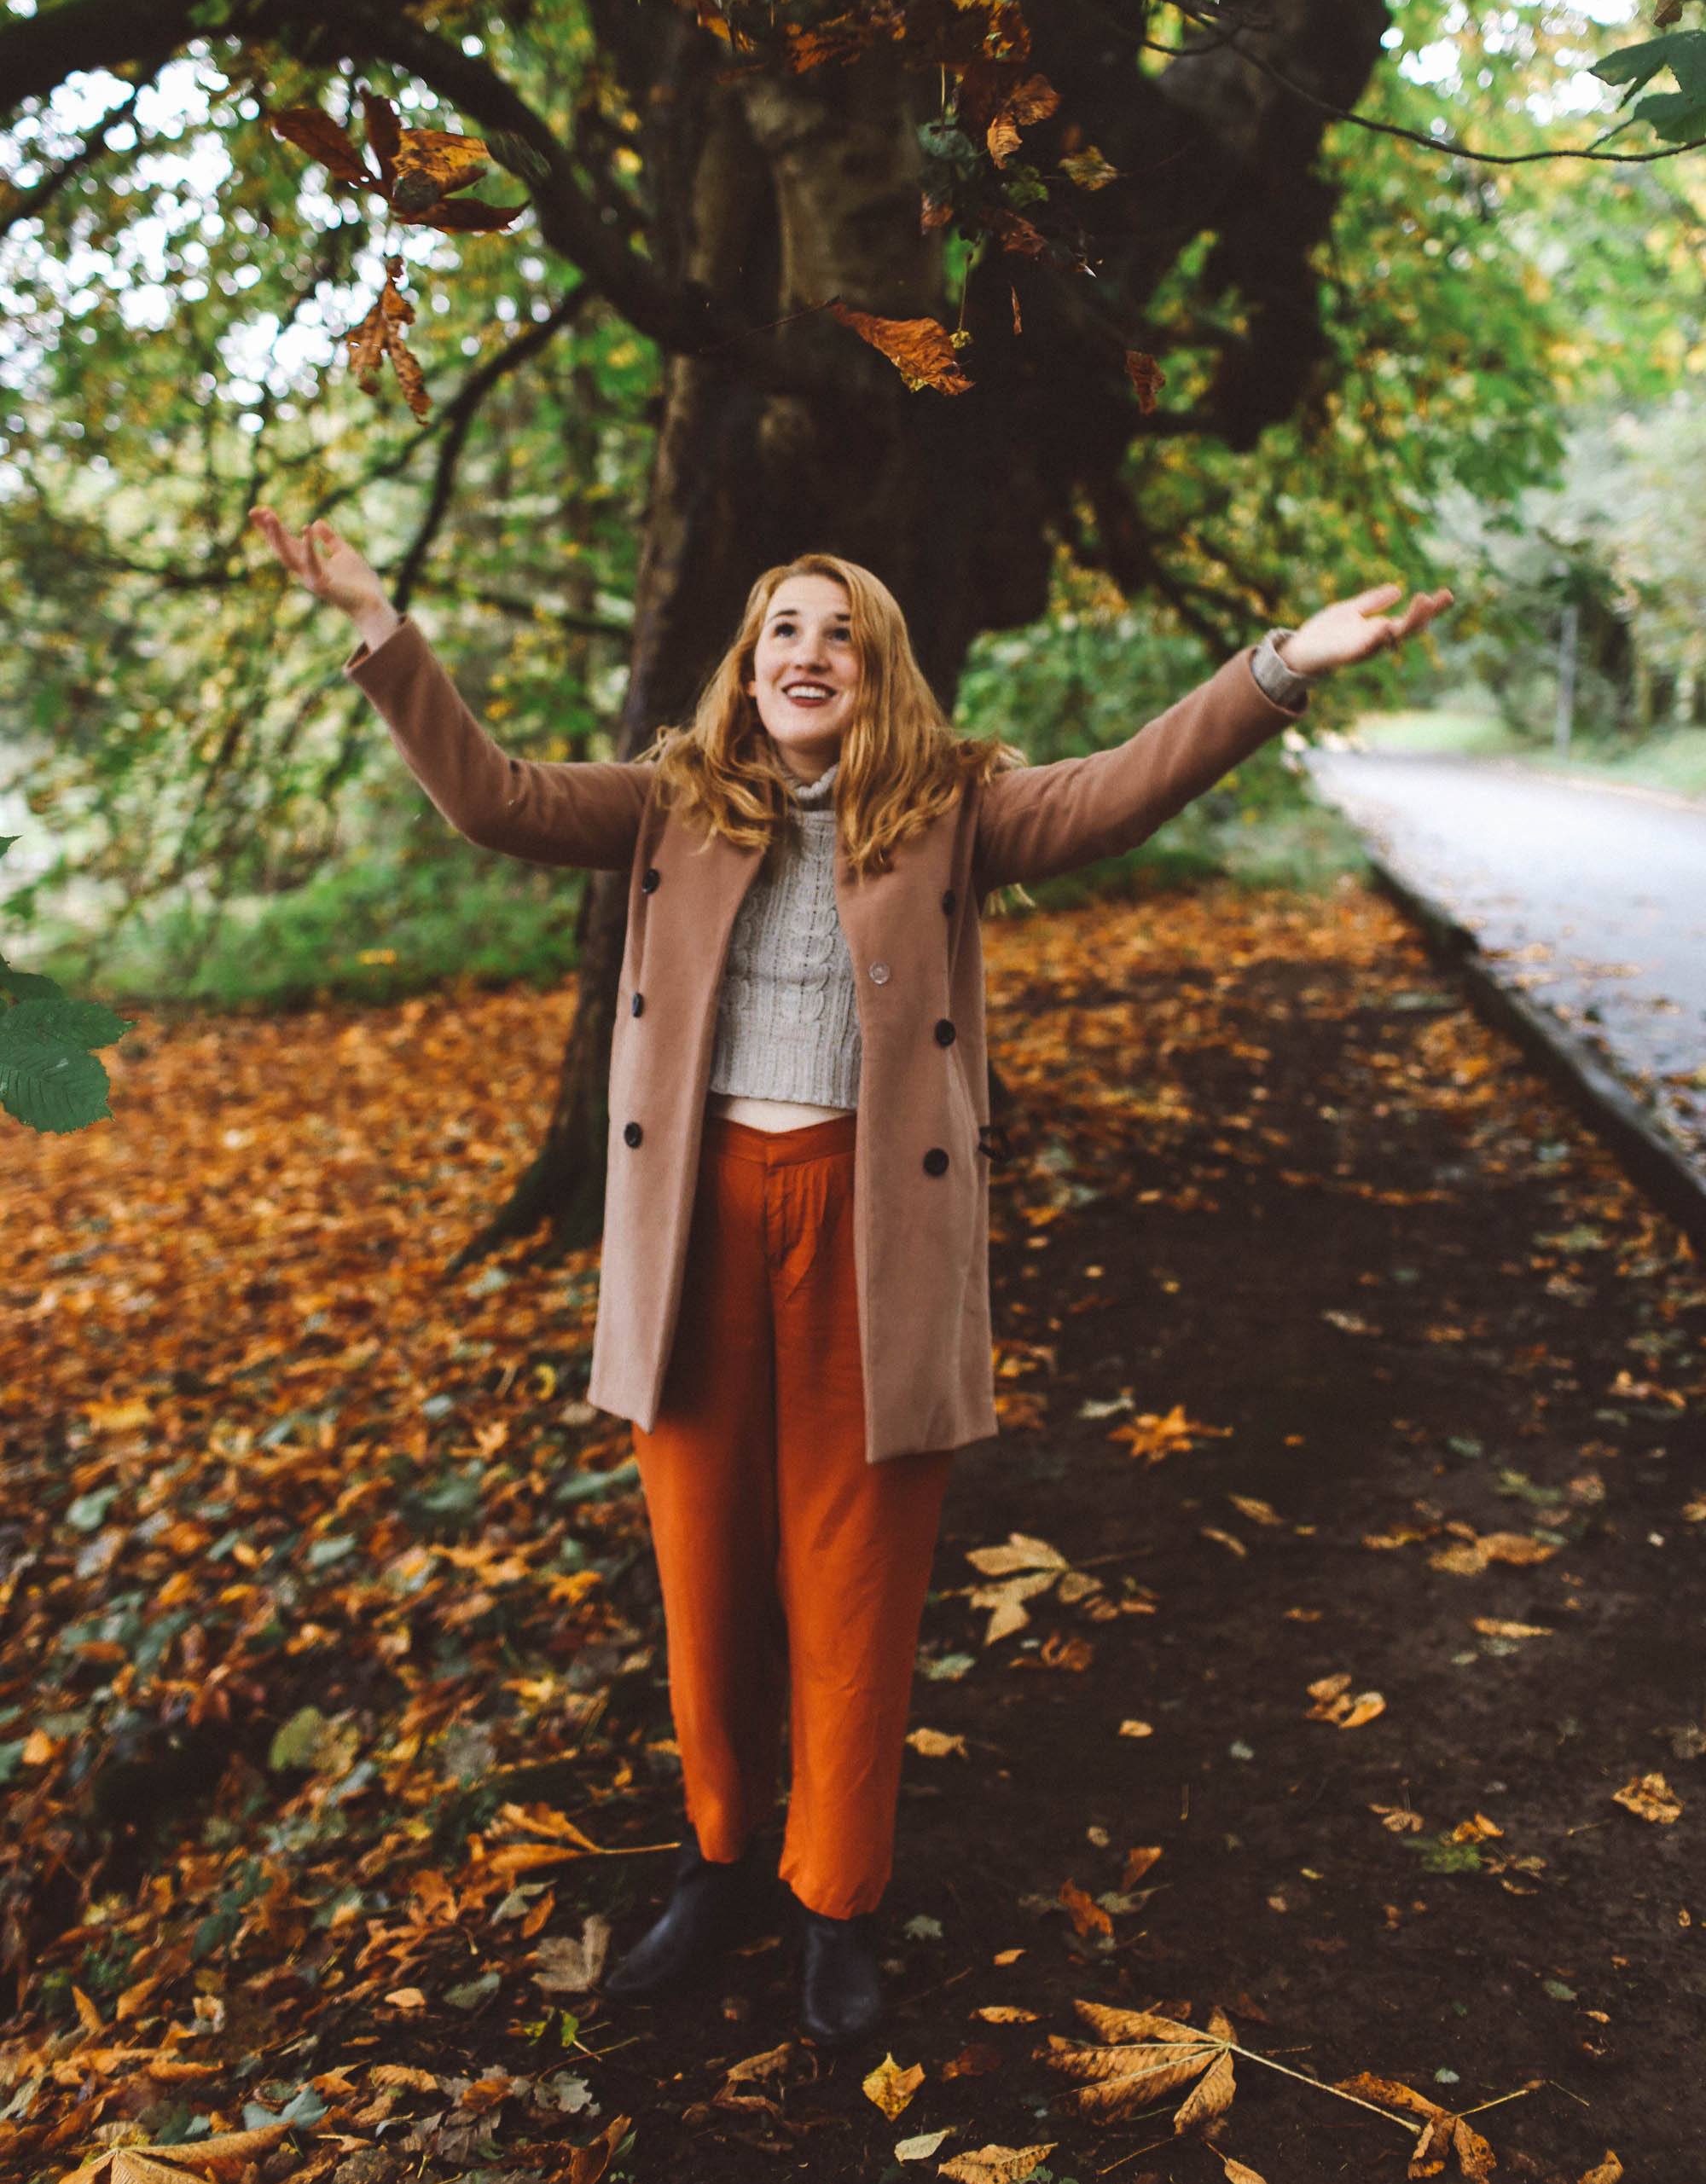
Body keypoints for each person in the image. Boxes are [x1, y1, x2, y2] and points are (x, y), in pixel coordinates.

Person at [249, 503, 1451, 2046]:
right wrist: (373, 619)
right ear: (748, 675)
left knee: (858, 1571)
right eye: (783, 635)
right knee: (704, 1565)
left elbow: (1121, 794)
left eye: (842, 636)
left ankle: (839, 1895)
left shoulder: (956, 810)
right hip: (696, 1224)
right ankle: (721, 1858)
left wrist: (1281, 665)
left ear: (881, 678)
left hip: (869, 1229)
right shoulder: (668, 803)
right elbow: (490, 797)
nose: (809, 654)